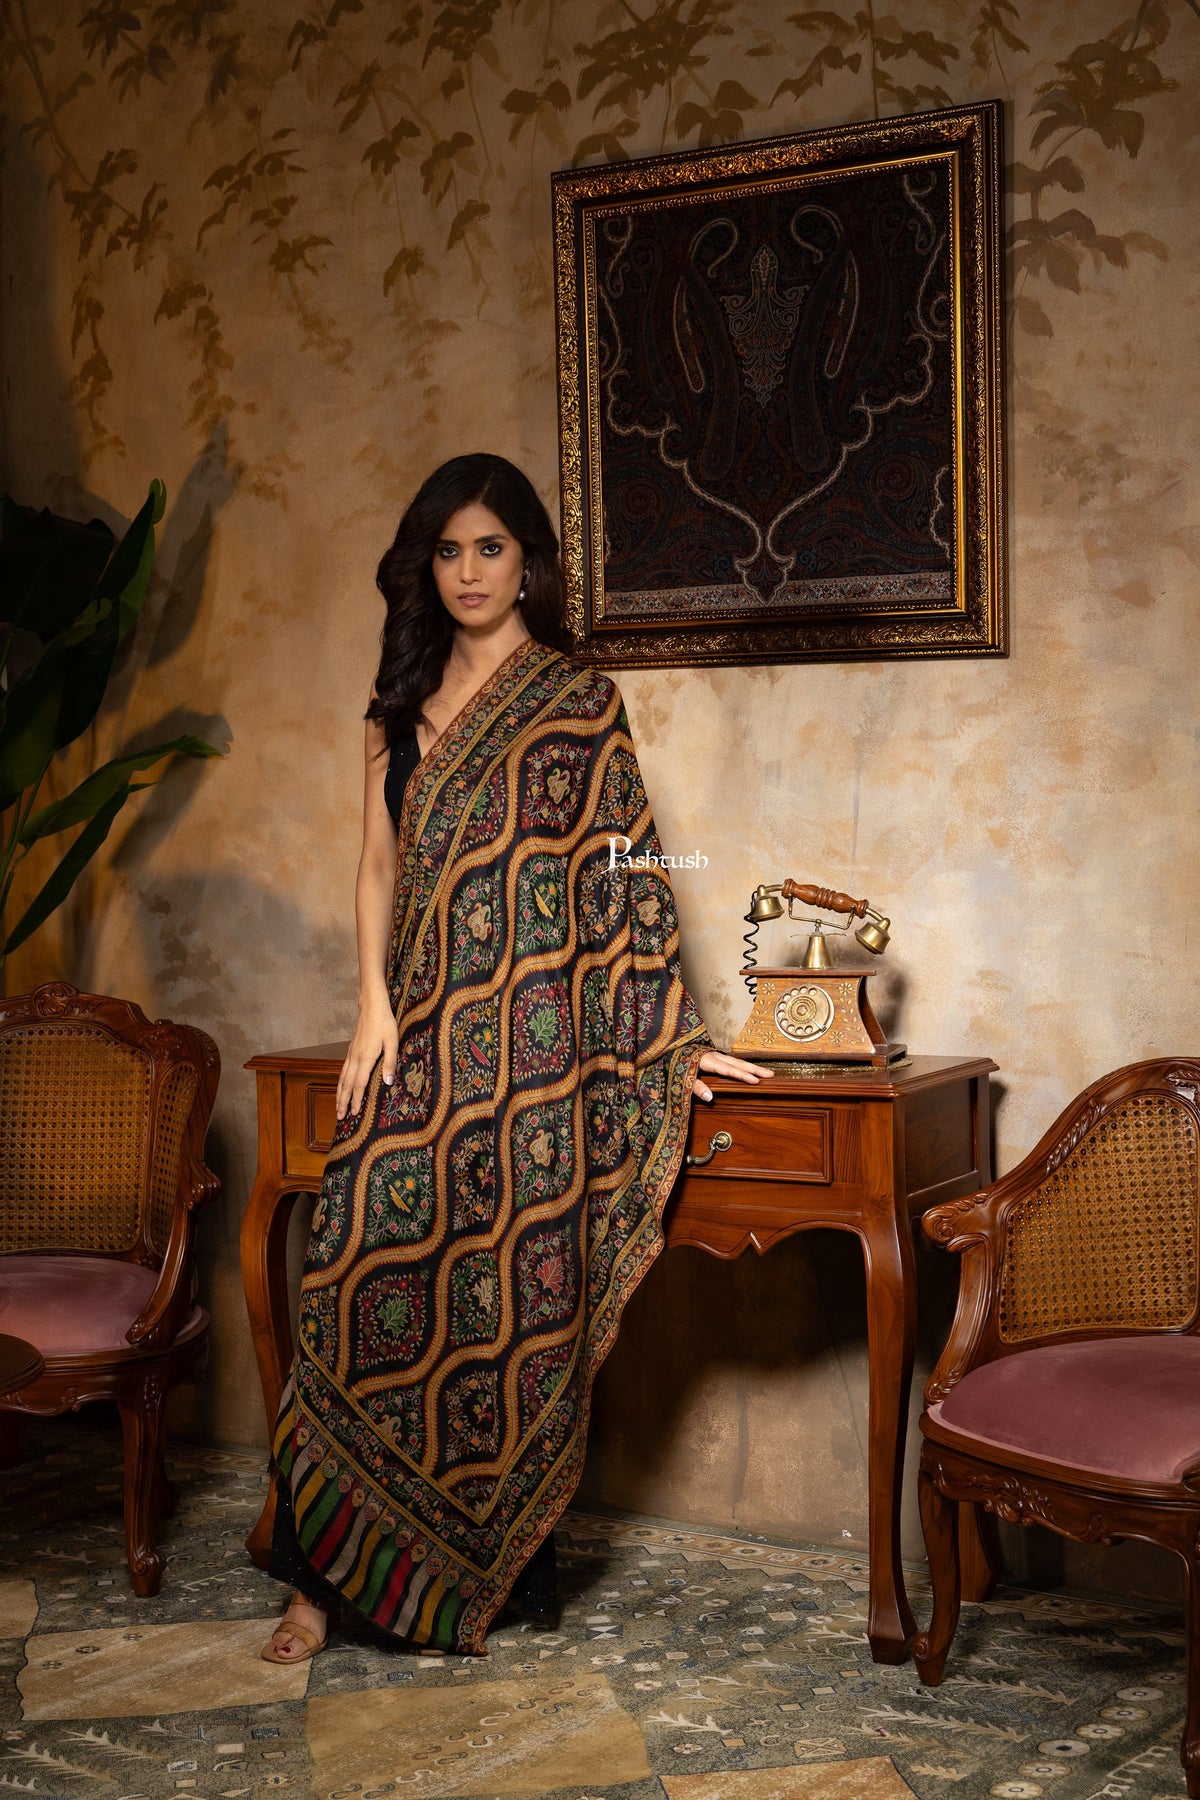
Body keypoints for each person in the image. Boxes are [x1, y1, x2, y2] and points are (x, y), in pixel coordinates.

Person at [262, 453, 770, 1663]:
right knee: (351, 1267)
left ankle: (477, 1568)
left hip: (540, 1066)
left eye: (490, 547)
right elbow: (377, 867)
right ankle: (315, 1584)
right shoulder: (397, 705)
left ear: (529, 560)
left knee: (509, 1293)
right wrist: (372, 1008)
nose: (470, 571)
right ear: (424, 565)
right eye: (449, 550)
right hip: (423, 1037)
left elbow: (631, 870)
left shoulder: (580, 704)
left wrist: (670, 1035)